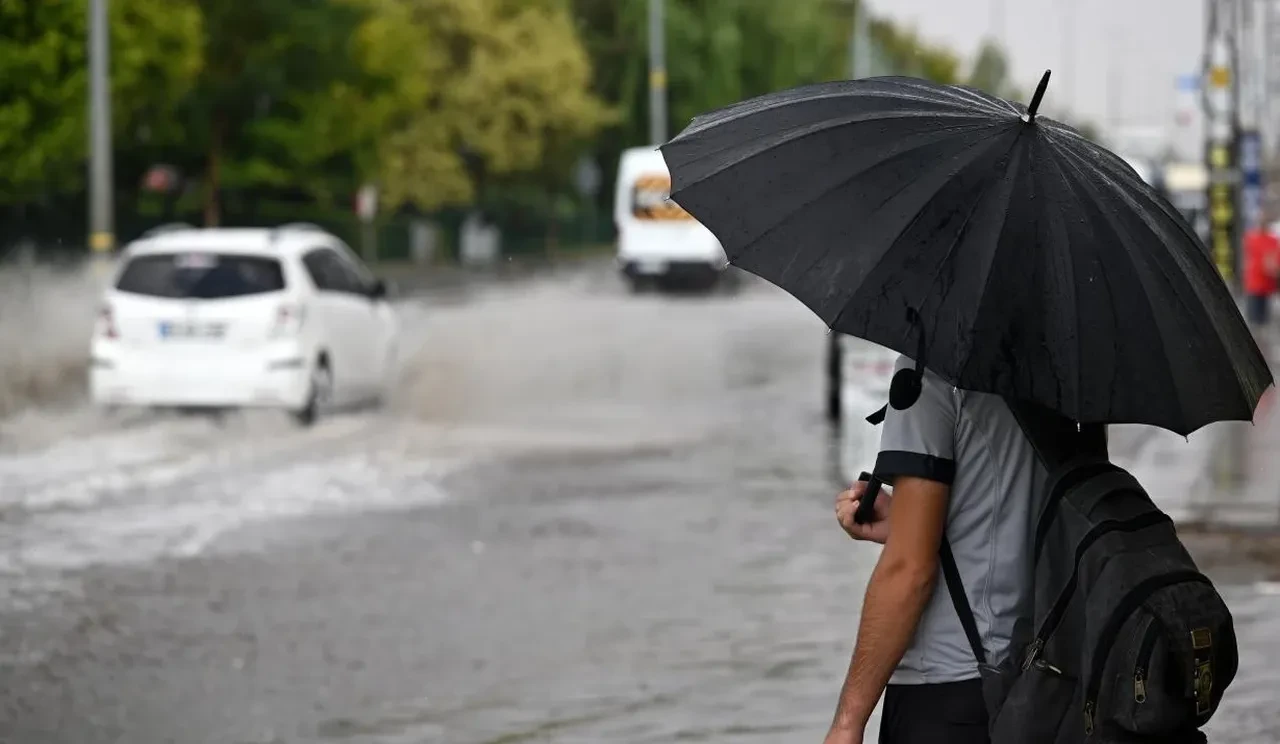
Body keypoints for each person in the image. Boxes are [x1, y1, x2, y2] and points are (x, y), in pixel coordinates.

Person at [823, 357, 1058, 744]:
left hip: (947, 692)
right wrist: (905, 524)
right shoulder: (1063, 373)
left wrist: (847, 723)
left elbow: (909, 571)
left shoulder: (928, 373)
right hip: (1041, 681)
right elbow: (1024, 515)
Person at [1243, 215, 1280, 326]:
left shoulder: (1272, 240)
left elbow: (1275, 259)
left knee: (1264, 318)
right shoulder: (1251, 238)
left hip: (1267, 283)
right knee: (1254, 318)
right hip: (1254, 283)